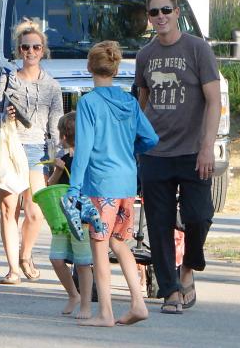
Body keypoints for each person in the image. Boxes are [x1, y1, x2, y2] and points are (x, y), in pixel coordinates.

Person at [134, 0, 221, 315]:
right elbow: (142, 103)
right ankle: (170, 291)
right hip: (156, 152)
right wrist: (137, 145)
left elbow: (214, 100)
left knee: (199, 216)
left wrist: (207, 147)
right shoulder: (145, 55)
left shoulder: (197, 49)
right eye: (154, 12)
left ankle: (188, 268)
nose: (161, 17)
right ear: (149, 16)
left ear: (177, 12)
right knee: (158, 223)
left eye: (166, 10)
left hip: (193, 151)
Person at [68, 41, 158, 327]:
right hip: (126, 182)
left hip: (101, 184)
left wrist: (73, 188)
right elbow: (151, 138)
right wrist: (130, 150)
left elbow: (83, 150)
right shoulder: (129, 102)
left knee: (99, 246)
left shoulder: (89, 103)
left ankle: (105, 312)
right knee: (120, 243)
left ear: (89, 67)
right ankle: (137, 303)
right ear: (116, 68)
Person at [0, 20, 63, 284]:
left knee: (34, 212)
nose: (30, 52)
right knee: (10, 210)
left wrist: (59, 154)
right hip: (8, 147)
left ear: (43, 51)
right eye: (25, 47)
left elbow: (56, 125)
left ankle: (25, 255)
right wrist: (5, 118)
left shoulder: (52, 86)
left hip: (36, 150)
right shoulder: (7, 79)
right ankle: (13, 269)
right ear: (19, 51)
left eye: (36, 47)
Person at [47, 111, 94, 319]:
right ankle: (73, 294)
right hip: (63, 218)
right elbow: (50, 187)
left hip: (82, 217)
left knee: (83, 263)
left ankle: (85, 304)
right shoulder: (64, 158)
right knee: (57, 258)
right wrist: (57, 170)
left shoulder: (90, 159)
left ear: (64, 137)